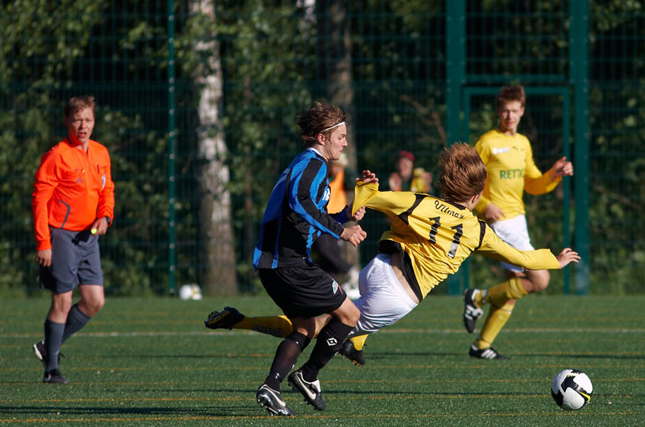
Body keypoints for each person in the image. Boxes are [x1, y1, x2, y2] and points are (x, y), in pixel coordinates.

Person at [205, 143, 579, 369]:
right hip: (398, 291)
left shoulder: (421, 203)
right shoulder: (478, 230)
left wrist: (365, 189)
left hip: (378, 268)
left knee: (329, 321)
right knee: (311, 329)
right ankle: (247, 325)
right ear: (477, 196)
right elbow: (523, 259)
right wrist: (556, 260)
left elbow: (371, 199)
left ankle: (355, 343)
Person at [251, 101, 369, 416]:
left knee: (305, 328)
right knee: (350, 315)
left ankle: (271, 388)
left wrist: (346, 215)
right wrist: (341, 232)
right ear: (321, 137)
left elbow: (307, 212)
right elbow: (299, 202)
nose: (345, 142)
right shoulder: (313, 164)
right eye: (341, 136)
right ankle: (307, 375)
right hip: (288, 264)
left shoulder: (306, 164)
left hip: (276, 265)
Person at [462, 84, 574, 360]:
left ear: (522, 111)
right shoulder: (487, 142)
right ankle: (477, 297)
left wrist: (554, 174)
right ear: (498, 112)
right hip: (501, 224)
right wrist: (485, 205)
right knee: (540, 278)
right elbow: (467, 179)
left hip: (518, 220)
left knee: (513, 289)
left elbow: (533, 185)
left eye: (514, 111)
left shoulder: (523, 143)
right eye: (504, 111)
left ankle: (481, 345)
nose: (509, 116)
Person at [31, 96, 115, 384]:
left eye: (88, 120)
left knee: (94, 301)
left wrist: (105, 217)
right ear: (67, 121)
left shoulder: (101, 153)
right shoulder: (58, 156)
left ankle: (47, 347)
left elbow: (107, 191)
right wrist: (44, 242)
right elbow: (40, 200)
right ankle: (51, 370)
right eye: (77, 119)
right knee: (62, 301)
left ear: (94, 122)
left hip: (88, 238)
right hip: (61, 235)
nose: (83, 125)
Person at [311, 153, 361, 298]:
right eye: (336, 166)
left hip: (335, 220)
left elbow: (353, 183)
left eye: (341, 167)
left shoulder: (342, 176)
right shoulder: (322, 177)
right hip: (322, 219)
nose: (338, 170)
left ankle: (349, 272)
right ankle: (331, 288)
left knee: (327, 251)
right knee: (325, 254)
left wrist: (347, 170)